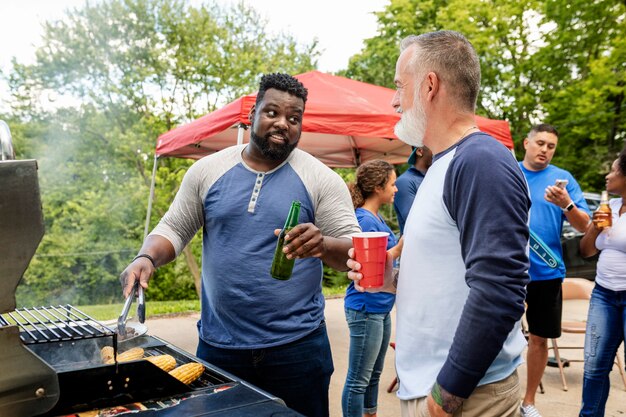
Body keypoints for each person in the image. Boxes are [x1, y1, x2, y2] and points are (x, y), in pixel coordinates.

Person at [119, 73, 361, 417]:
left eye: (294, 118)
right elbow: (174, 227)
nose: (283, 124)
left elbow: (353, 249)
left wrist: (322, 245)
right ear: (252, 115)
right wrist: (146, 257)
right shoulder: (208, 170)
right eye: (272, 113)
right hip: (220, 347)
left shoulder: (320, 177)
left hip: (297, 349)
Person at [348, 30, 531, 417]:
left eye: (400, 86)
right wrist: (388, 279)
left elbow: (500, 289)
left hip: (468, 399)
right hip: (439, 388)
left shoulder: (480, 160)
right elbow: (445, 277)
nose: (395, 100)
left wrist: (447, 393)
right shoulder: (441, 166)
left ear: (430, 85)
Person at [518, 123, 591, 417]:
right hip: (507, 270)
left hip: (547, 273)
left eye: (551, 146)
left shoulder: (563, 179)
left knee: (539, 338)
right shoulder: (510, 173)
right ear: (526, 143)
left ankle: (528, 402)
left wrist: (567, 204)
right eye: (540, 143)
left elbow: (586, 226)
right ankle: (495, 395)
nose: (545, 150)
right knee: (493, 334)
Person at [343, 160, 399, 417]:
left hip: (380, 308)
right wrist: (402, 245)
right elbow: (370, 267)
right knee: (357, 381)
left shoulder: (374, 217)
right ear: (378, 187)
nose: (396, 189)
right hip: (365, 308)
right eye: (392, 183)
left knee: (373, 375)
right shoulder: (364, 220)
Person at [578, 149, 626, 417]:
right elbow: (586, 251)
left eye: (614, 170)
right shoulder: (610, 208)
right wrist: (595, 227)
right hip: (604, 295)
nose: (608, 175)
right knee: (594, 366)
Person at [393, 146, 432, 234]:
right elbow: (414, 221)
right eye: (432, 147)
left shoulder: (434, 177)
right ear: (419, 151)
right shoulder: (405, 181)